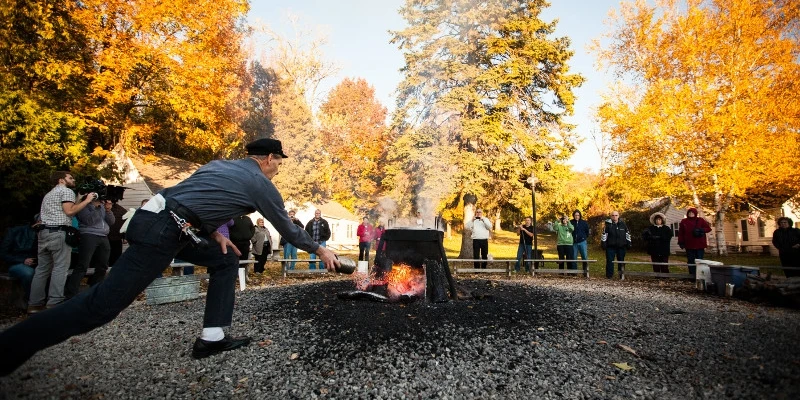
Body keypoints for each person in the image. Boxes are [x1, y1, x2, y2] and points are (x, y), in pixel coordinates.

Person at [0, 138, 340, 376]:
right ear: (268, 159)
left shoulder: (218, 166)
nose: (278, 168)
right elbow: (285, 224)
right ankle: (10, 347)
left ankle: (212, 338)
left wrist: (214, 235)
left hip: (164, 222)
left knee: (223, 261)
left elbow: (193, 199)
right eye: (278, 162)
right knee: (100, 307)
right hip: (162, 230)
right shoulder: (260, 183)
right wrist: (320, 248)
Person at [27, 171, 95, 314]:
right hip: (59, 233)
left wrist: (79, 198)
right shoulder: (66, 191)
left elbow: (65, 209)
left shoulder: (49, 194)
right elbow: (70, 212)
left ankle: (34, 304)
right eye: (70, 177)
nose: (73, 179)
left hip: (44, 233)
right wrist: (87, 200)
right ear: (61, 180)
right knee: (60, 268)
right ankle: (55, 303)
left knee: (42, 269)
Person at [64, 193, 115, 299]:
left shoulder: (101, 207)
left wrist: (108, 210)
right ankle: (71, 293)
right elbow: (89, 221)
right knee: (83, 265)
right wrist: (97, 208)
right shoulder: (83, 206)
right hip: (89, 235)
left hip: (103, 236)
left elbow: (111, 221)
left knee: (103, 265)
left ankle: (95, 290)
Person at [1, 215, 40, 308]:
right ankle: (30, 301)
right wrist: (23, 260)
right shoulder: (15, 232)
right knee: (28, 273)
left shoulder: (43, 234)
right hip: (16, 264)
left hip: (36, 264)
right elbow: (3, 253)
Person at [677, 207, 712, 275]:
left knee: (699, 260)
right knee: (690, 260)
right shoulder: (684, 221)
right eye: (689, 213)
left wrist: (701, 230)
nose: (691, 214)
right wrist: (681, 242)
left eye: (692, 213)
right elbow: (681, 233)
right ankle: (692, 275)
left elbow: (708, 229)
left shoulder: (700, 220)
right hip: (689, 244)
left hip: (699, 244)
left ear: (695, 213)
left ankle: (700, 275)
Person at [601, 211, 631, 279]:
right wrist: (603, 244)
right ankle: (609, 276)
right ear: (611, 216)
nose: (614, 217)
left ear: (618, 216)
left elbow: (627, 234)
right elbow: (604, 235)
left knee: (621, 261)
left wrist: (629, 243)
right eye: (613, 215)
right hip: (610, 247)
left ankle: (621, 275)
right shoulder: (607, 225)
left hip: (621, 247)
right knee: (609, 261)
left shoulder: (623, 224)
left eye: (616, 215)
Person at [106, 199, 128, 267]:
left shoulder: (121, 210)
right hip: (104, 237)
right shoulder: (101, 208)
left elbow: (126, 224)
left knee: (115, 258)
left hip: (116, 238)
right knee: (103, 257)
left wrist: (125, 237)